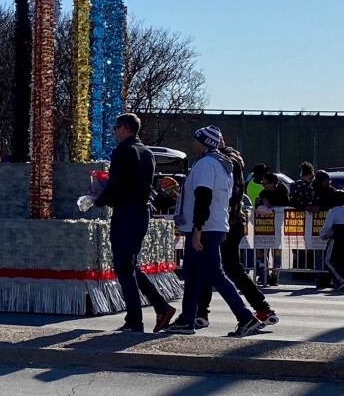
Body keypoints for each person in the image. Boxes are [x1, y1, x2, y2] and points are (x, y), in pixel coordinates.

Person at [165, 126, 263, 337]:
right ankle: (186, 319)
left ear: (204, 143)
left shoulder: (206, 164)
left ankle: (246, 317)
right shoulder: (220, 164)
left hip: (205, 228)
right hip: (212, 225)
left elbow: (203, 196)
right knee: (192, 274)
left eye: (196, 140)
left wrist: (197, 228)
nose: (193, 144)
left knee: (214, 273)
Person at [93, 113, 176, 333]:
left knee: (123, 266)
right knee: (129, 265)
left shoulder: (122, 151)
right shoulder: (147, 152)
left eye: (116, 127)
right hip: (142, 212)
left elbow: (116, 185)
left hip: (125, 212)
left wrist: (98, 200)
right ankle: (161, 306)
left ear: (126, 128)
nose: (114, 131)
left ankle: (135, 320)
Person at [195, 143, 278, 330]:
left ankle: (204, 312)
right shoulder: (231, 159)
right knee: (222, 268)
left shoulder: (223, 161)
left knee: (217, 268)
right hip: (231, 221)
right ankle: (262, 309)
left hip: (225, 222)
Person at [320, 205, 344, 291]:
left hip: (338, 237)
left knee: (328, 261)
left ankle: (340, 280)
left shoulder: (334, 210)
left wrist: (322, 235)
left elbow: (327, 225)